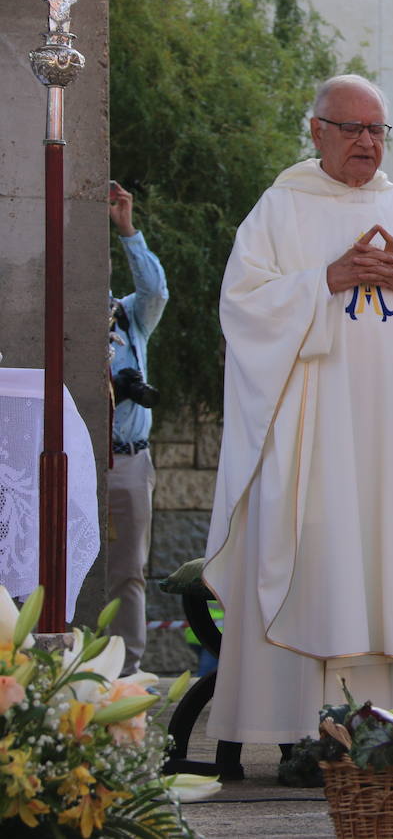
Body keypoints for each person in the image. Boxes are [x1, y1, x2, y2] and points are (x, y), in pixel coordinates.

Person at [204, 75, 393, 755]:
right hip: (312, 432)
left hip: (389, 433)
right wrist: (324, 280)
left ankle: (383, 729)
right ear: (317, 129)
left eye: (377, 131)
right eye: (351, 128)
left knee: (384, 560)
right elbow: (241, 308)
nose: (366, 142)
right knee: (320, 555)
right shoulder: (281, 207)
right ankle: (295, 729)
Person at [106, 181, 168, 678]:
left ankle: (126, 671)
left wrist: (127, 230)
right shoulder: (60, 319)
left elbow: (155, 290)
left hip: (128, 458)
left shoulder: (128, 317)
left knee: (129, 571)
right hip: (78, 456)